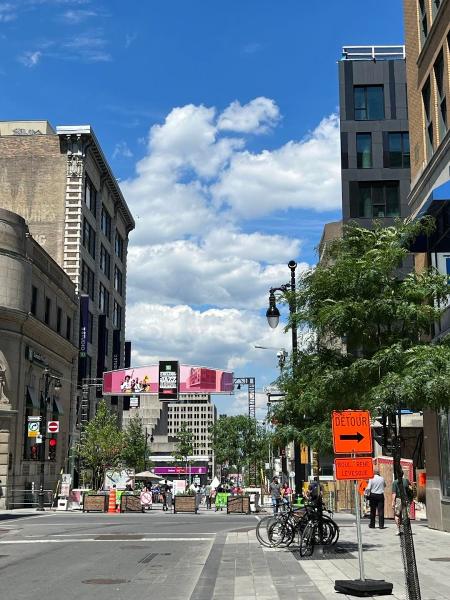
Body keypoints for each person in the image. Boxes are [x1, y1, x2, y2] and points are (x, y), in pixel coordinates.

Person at [392, 469, 413, 535]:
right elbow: (411, 490)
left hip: (398, 500)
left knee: (397, 515)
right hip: (406, 499)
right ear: (403, 474)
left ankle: (398, 529)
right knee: (406, 515)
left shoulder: (395, 482)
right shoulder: (406, 481)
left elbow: (394, 493)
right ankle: (406, 529)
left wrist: (393, 502)